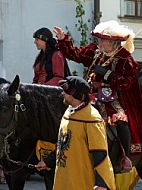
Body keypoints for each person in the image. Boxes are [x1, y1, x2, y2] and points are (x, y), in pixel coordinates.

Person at [53, 20, 142, 172]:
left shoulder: (125, 59)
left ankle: (125, 157)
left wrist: (107, 74)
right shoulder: (96, 53)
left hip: (112, 98)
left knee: (120, 120)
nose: (99, 42)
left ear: (112, 42)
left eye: (102, 39)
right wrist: (63, 40)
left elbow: (126, 81)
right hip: (90, 95)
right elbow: (76, 55)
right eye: (99, 39)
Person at [36, 76, 116, 190]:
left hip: (82, 181)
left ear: (77, 95)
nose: (62, 93)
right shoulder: (68, 113)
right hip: (63, 177)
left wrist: (101, 184)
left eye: (66, 91)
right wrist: (47, 162)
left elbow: (100, 153)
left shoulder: (91, 118)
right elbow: (62, 145)